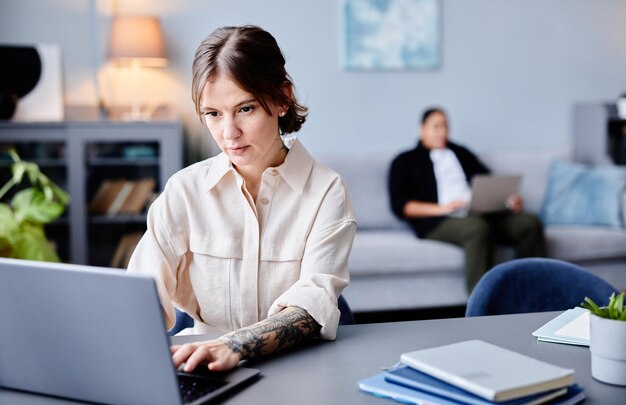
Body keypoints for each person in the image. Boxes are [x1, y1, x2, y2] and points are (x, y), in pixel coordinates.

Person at [127, 25, 356, 373]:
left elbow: (312, 305)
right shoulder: (184, 191)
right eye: (213, 114)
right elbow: (142, 299)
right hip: (201, 365)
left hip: (297, 368)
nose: (228, 133)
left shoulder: (326, 190)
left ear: (281, 99)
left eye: (245, 109)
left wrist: (234, 345)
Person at [388, 107, 545, 291]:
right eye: (436, 126)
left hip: (478, 213)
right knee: (476, 228)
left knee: (529, 223)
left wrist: (507, 200)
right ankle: (481, 304)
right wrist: (442, 208)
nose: (443, 131)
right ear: (422, 129)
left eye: (446, 126)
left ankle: (529, 291)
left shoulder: (461, 152)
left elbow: (488, 181)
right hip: (440, 220)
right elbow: (400, 205)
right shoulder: (404, 160)